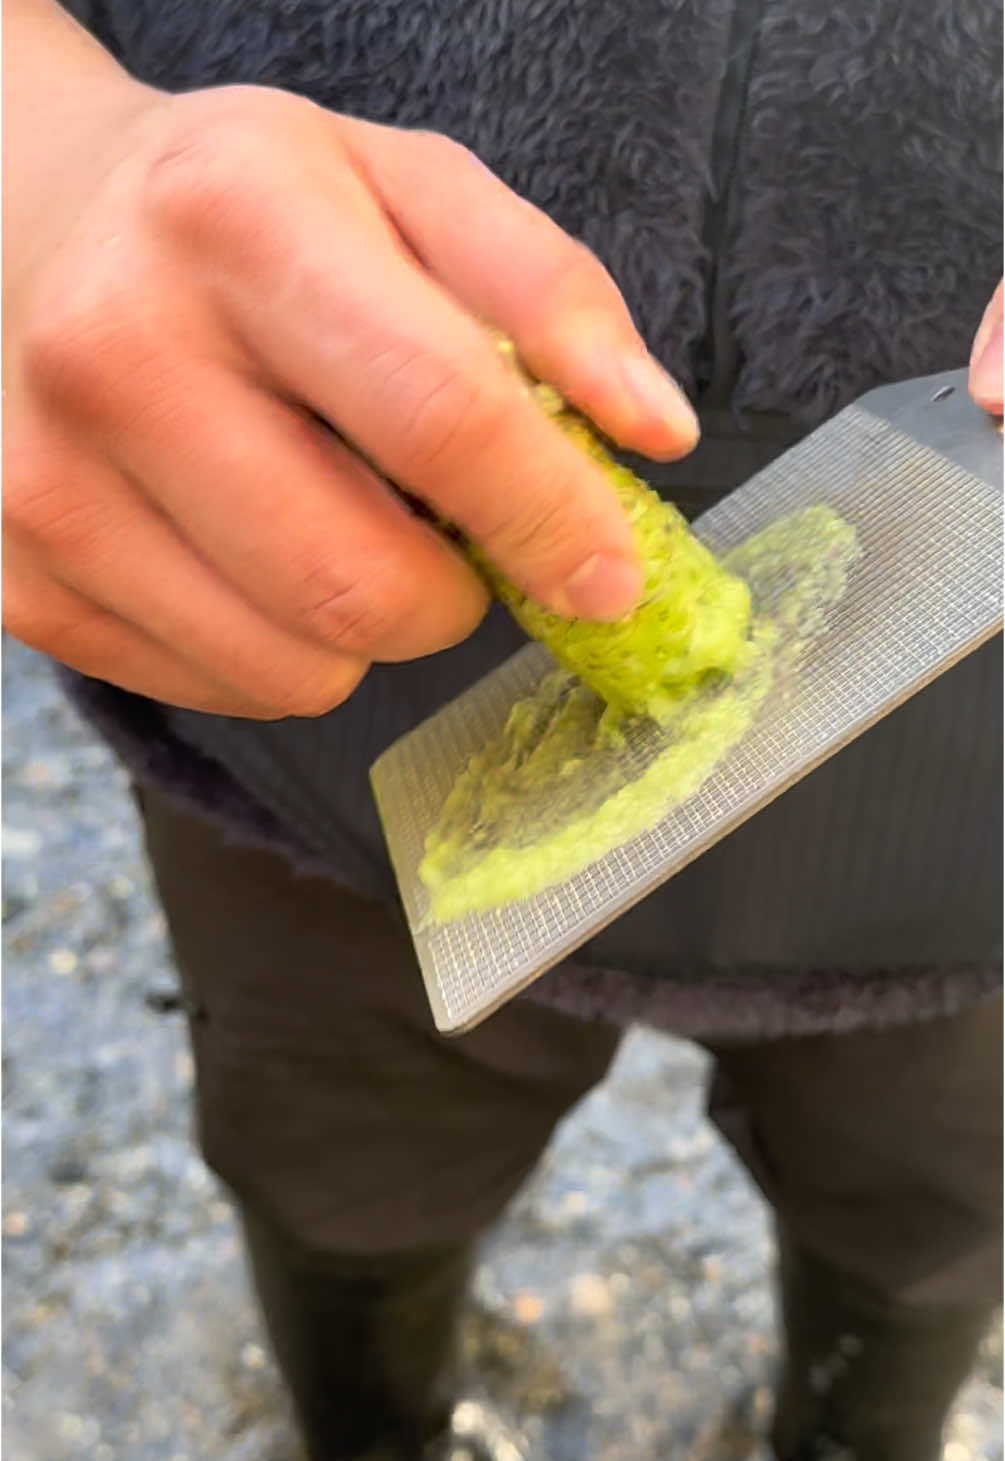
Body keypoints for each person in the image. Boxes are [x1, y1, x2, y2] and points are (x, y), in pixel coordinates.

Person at [4, 1, 1002, 1458]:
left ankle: (861, 1430)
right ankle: (374, 1427)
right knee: (339, 1176)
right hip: (327, 730)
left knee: (930, 1219)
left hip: (966, 824)